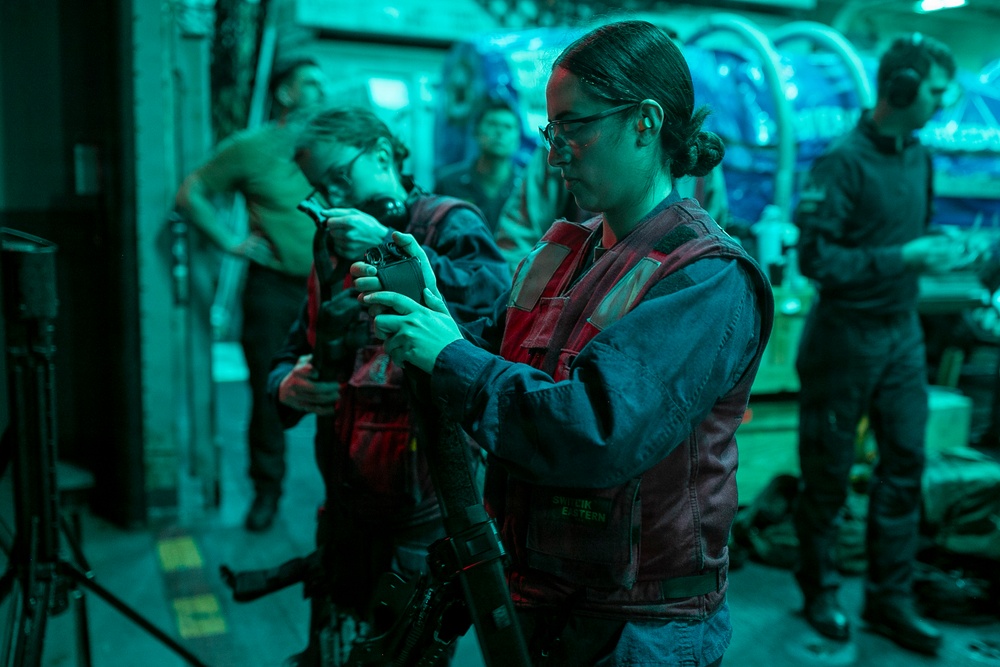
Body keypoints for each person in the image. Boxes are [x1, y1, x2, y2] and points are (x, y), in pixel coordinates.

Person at [353, 20, 774, 667]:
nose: (554, 153)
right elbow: (498, 365)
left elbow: (594, 432)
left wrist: (447, 354)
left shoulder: (705, 276)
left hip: (635, 627)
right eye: (553, 131)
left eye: (575, 127)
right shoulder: (563, 251)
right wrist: (434, 311)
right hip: (540, 597)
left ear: (646, 121)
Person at [267, 106, 510, 666]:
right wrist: (286, 385)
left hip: (422, 519)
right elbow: (289, 349)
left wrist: (388, 244)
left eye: (337, 177)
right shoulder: (331, 249)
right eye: (318, 187)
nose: (328, 197)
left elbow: (496, 304)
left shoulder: (449, 223)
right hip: (345, 514)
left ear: (381, 156)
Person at [791, 33, 965, 655]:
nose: (942, 104)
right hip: (845, 338)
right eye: (937, 92)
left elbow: (908, 237)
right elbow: (816, 258)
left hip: (901, 335)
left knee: (904, 468)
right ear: (903, 88)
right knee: (829, 476)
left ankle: (890, 600)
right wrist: (901, 256)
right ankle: (820, 590)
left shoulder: (919, 157)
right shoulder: (842, 161)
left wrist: (939, 247)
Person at [174, 57, 328, 531]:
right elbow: (191, 194)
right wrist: (229, 243)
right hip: (275, 291)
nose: (321, 93)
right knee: (270, 393)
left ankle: (345, 495)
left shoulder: (331, 147)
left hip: (333, 286)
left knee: (342, 389)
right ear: (284, 94)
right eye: (310, 84)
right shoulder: (251, 148)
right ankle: (267, 492)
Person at [494, 140, 730, 274]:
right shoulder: (562, 147)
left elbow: (713, 239)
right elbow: (517, 239)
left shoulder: (698, 162)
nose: (556, 157)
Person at [433, 99, 523, 232]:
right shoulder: (448, 183)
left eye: (508, 127)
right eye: (492, 124)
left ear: (518, 138)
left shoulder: (526, 187)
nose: (500, 132)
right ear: (476, 132)